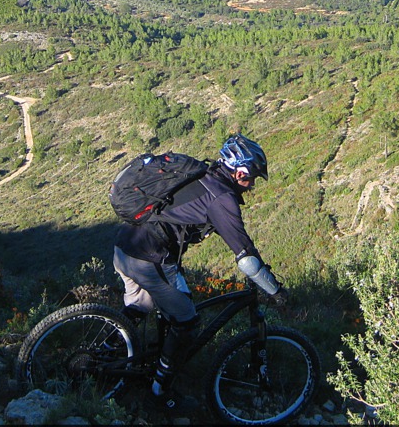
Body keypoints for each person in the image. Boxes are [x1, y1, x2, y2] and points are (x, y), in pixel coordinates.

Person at [112, 133, 288, 413]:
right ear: (240, 173)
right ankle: (159, 392)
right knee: (187, 322)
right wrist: (275, 291)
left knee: (140, 306)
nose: (253, 185)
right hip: (150, 258)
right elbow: (245, 258)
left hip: (125, 246)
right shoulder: (222, 199)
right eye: (252, 178)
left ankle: (108, 358)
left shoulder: (203, 176)